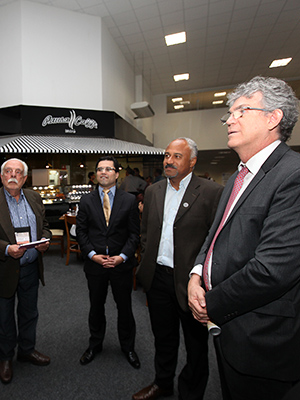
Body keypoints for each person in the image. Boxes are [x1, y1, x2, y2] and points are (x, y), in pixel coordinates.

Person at [187, 76, 300, 400]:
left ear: (273, 117)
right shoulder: (239, 176)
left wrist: (208, 304)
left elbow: (273, 270)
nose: (230, 119)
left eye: (242, 110)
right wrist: (197, 273)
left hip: (263, 339)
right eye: (230, 112)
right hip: (229, 329)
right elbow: (214, 236)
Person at [133, 138, 223, 400]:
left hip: (192, 284)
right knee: (163, 337)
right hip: (157, 279)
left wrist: (204, 279)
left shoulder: (211, 192)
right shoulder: (153, 191)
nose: (169, 161)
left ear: (192, 162)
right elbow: (146, 232)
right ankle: (163, 383)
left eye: (177, 156)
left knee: (196, 345)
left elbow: (216, 241)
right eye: (166, 155)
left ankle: (191, 393)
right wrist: (145, 262)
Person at [0, 158, 51, 384]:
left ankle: (26, 350)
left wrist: (45, 239)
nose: (13, 176)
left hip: (30, 269)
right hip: (4, 269)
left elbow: (43, 225)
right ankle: (5, 357)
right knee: (4, 317)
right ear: (1, 176)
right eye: (8, 171)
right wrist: (6, 249)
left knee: (29, 313)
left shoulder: (35, 198)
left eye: (18, 172)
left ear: (25, 178)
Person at [76, 156, 141, 369]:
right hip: (95, 265)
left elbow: (134, 234)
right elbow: (82, 233)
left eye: (108, 169)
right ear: (96, 174)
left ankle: (128, 347)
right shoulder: (85, 201)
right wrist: (92, 254)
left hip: (121, 265)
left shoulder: (129, 200)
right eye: (100, 169)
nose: (104, 172)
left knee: (125, 308)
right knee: (96, 307)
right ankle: (95, 345)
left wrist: (122, 256)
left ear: (116, 173)